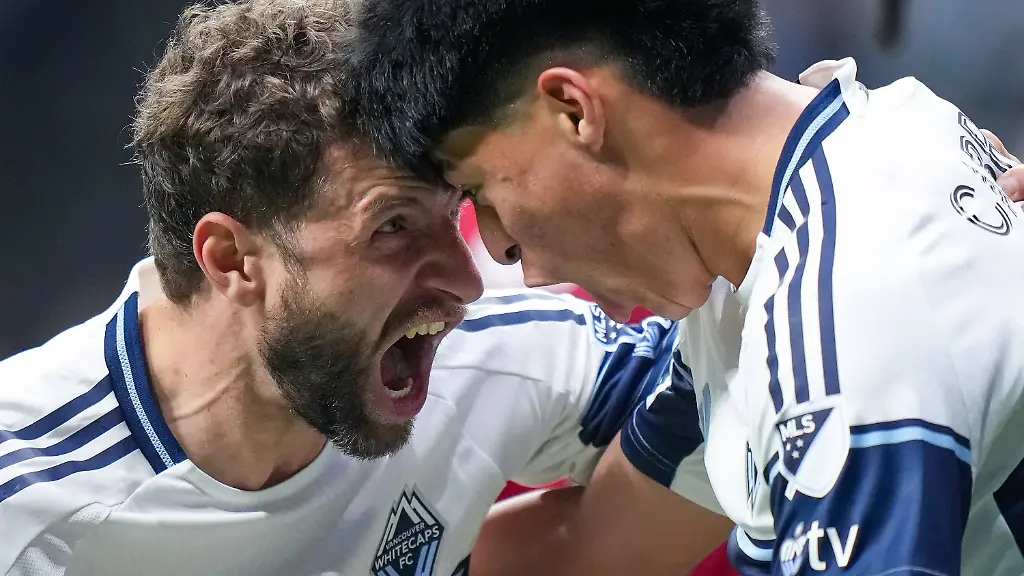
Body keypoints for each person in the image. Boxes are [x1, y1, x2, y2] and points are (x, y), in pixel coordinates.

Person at [0, 2, 731, 574]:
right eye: (392, 228)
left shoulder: (489, 358)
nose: (467, 281)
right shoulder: (27, 500)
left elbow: (732, 387)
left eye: (455, 213)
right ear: (230, 259)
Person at [350, 0, 1024, 573]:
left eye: (478, 190)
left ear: (573, 110)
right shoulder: (806, 217)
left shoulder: (852, 308)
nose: (495, 248)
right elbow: (592, 545)